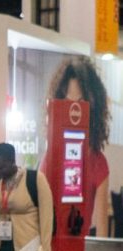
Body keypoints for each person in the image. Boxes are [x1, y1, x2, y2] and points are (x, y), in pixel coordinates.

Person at [43, 56, 111, 237]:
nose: (73, 111)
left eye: (80, 104)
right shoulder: (50, 158)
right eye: (67, 103)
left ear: (92, 108)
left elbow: (102, 234)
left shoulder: (98, 163)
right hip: (51, 247)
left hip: (80, 249)